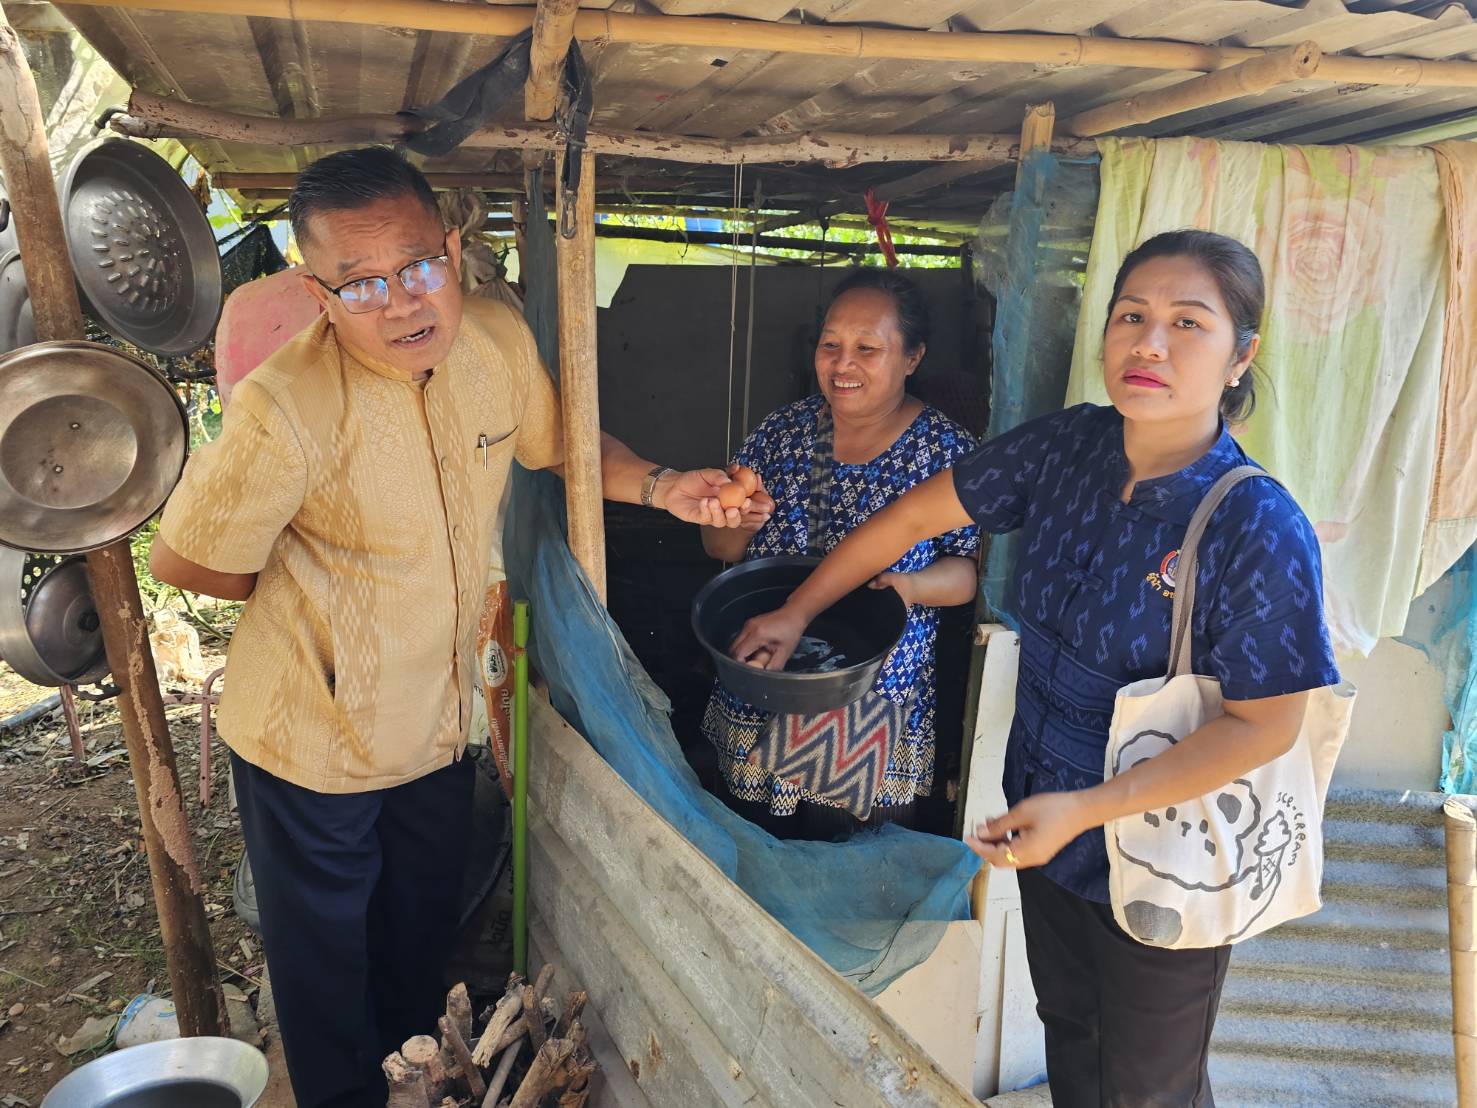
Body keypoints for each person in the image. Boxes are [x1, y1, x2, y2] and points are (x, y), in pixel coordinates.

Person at [148, 147, 752, 1108]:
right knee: (326, 977)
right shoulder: (284, 406)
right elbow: (186, 560)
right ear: (317, 289)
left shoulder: (497, 346)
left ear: (455, 247)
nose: (400, 303)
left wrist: (664, 486)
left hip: (439, 721)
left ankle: (417, 1089)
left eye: (420, 265)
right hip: (312, 741)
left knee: (420, 944)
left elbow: (563, 444)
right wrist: (322, 599)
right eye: (361, 284)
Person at [731, 230, 1341, 1106]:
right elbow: (907, 521)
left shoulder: (1255, 525)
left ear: (1240, 355)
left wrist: (1085, 811)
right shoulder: (1066, 449)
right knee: (1074, 1038)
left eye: (1186, 323)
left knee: (1146, 1087)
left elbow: (1267, 723)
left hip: (1165, 848)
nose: (1148, 343)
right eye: (1130, 316)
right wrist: (798, 609)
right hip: (1048, 827)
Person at [701, 267, 980, 839]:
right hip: (767, 677)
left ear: (912, 357)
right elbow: (719, 549)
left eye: (867, 348)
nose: (842, 363)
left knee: (845, 855)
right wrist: (738, 519)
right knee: (751, 848)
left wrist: (913, 587)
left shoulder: (947, 451)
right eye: (831, 345)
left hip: (871, 699)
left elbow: (966, 573)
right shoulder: (782, 433)